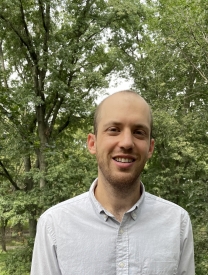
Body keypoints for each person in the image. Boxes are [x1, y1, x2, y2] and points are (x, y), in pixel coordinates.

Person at [31, 90, 195, 275]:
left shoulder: (177, 223)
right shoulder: (54, 224)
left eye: (139, 132)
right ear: (92, 143)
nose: (126, 142)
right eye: (114, 130)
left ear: (150, 148)